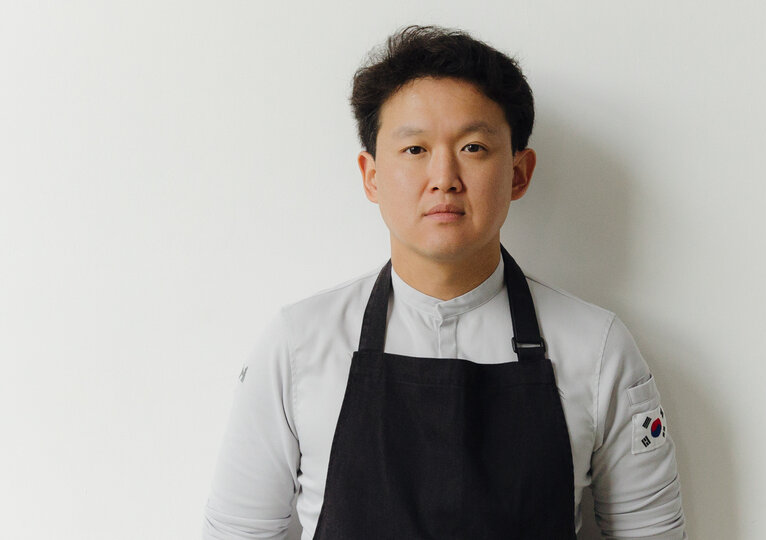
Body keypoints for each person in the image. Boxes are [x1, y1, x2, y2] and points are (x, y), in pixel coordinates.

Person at [202, 24, 686, 540]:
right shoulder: (298, 344)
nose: (444, 178)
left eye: (473, 147)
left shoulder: (599, 348)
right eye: (415, 149)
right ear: (371, 175)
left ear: (519, 173)